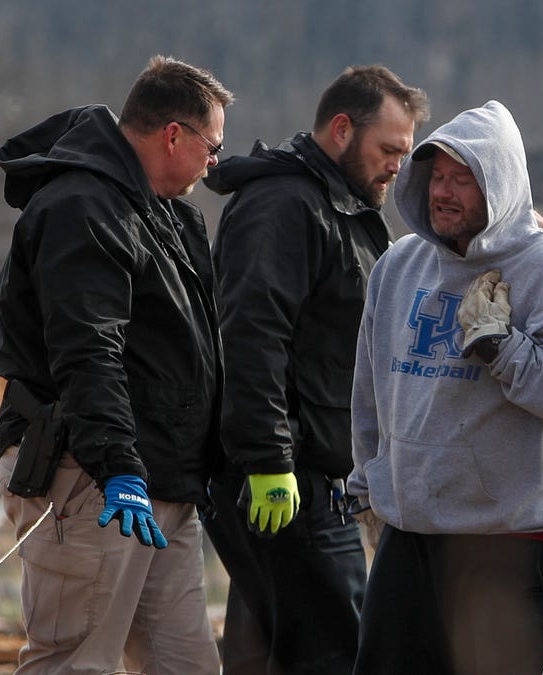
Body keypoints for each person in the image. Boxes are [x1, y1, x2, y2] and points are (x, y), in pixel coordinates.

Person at [0, 55, 232, 675]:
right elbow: (88, 349)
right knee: (74, 662)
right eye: (211, 147)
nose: (214, 165)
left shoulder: (166, 213)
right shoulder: (83, 207)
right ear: (173, 134)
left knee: (188, 665)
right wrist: (121, 468)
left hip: (161, 486)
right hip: (93, 477)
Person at [348, 100, 543, 675]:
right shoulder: (399, 265)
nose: (443, 191)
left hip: (513, 545)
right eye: (436, 176)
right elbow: (371, 387)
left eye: (462, 179)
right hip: (409, 541)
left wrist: (501, 347)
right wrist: (367, 480)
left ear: (501, 183)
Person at [200, 66, 429, 674]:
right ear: (340, 129)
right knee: (335, 651)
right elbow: (251, 335)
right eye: (388, 150)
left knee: (271, 648)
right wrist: (268, 460)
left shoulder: (343, 207)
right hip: (284, 477)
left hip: (318, 472)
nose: (395, 167)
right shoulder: (284, 206)